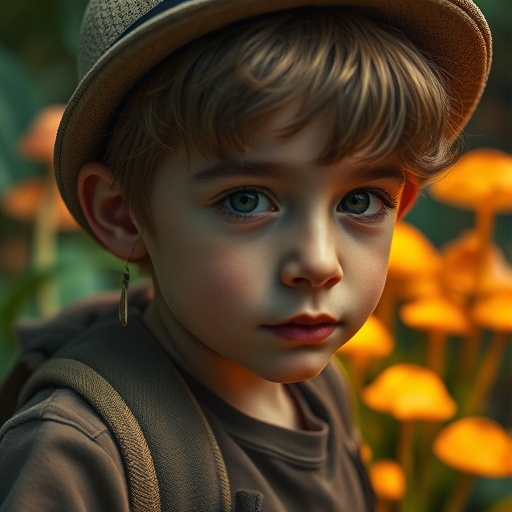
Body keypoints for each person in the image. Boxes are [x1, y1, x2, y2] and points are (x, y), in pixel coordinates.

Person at [0, 0, 491, 511]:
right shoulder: (78, 455)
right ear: (123, 213)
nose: (320, 264)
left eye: (360, 201)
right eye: (246, 200)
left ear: (402, 204)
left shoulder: (323, 391)